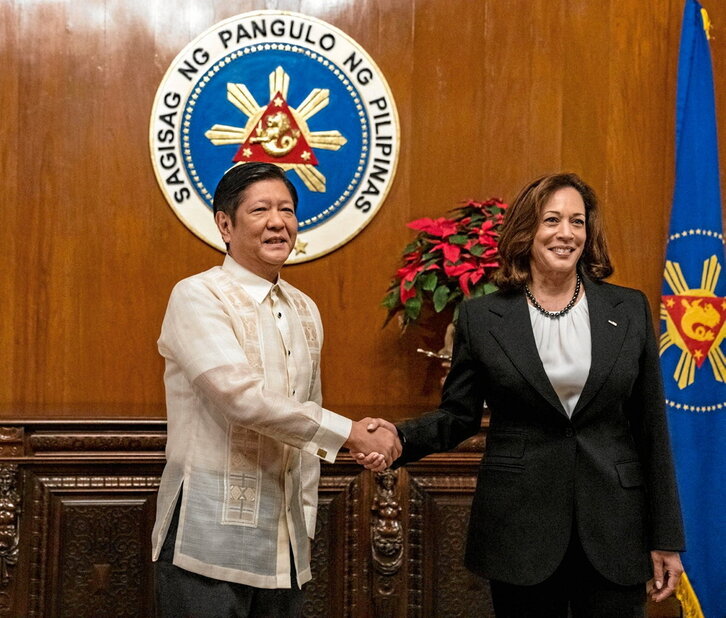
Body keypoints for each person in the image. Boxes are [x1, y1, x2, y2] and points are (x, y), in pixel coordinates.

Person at [367, 173, 685, 617]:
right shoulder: (482, 318)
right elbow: (458, 416)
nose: (566, 233)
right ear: (526, 231)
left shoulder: (628, 309)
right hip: (520, 529)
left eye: (577, 221)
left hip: (616, 528)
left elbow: (651, 426)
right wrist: (399, 438)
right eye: (551, 219)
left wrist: (666, 537)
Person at [152, 162, 400, 617]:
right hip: (207, 537)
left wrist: (304, 522)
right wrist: (350, 434)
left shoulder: (305, 308)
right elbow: (238, 397)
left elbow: (308, 412)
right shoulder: (197, 295)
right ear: (225, 224)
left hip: (284, 542)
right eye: (260, 210)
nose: (277, 222)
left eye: (286, 210)